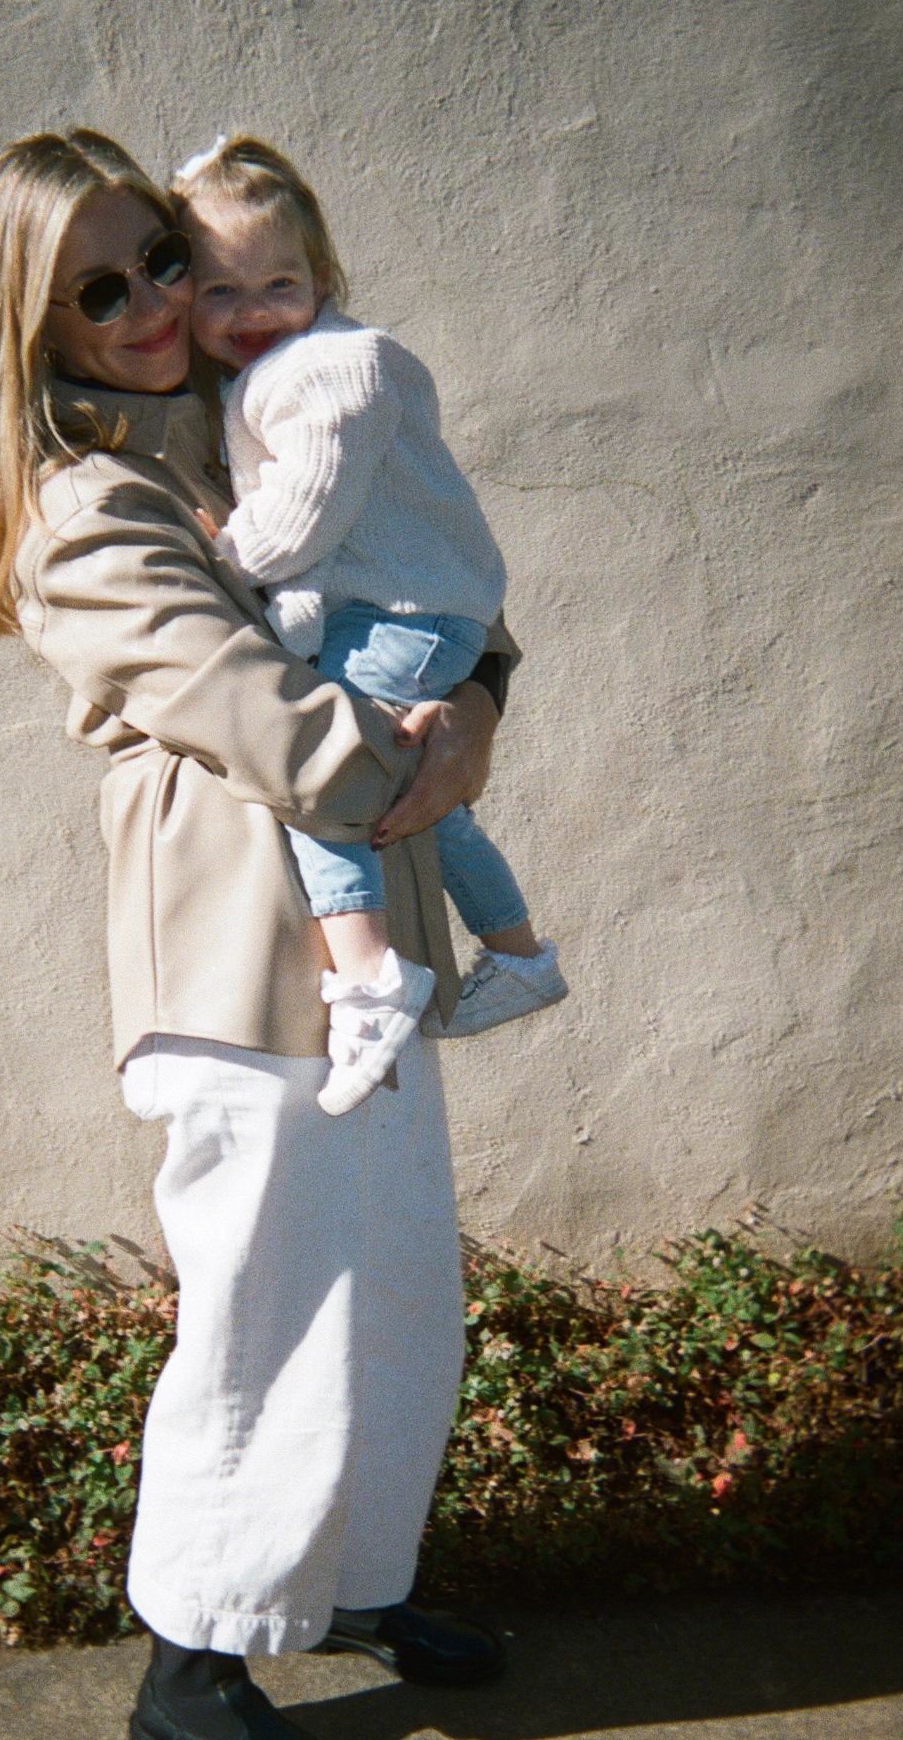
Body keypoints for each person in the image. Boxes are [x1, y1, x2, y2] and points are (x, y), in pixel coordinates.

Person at [0, 128, 514, 1740]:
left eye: (160, 263)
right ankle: (192, 1663)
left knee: (394, 1288)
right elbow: (250, 707)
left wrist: (474, 694)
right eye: (94, 290)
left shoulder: (264, 416)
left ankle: (352, 1586)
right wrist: (437, 749)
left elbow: (438, 570)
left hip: (365, 938)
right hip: (234, 946)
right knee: (261, 1306)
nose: (143, 307)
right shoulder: (83, 501)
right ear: (32, 325)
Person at [173, 135, 567, 1118]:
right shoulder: (270, 379)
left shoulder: (333, 372)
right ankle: (519, 953)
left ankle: (370, 980)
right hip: (406, 608)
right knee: (416, 797)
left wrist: (224, 553)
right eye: (222, 293)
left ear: (323, 276)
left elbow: (303, 519)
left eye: (280, 282)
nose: (253, 311)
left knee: (330, 783)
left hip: (410, 613)